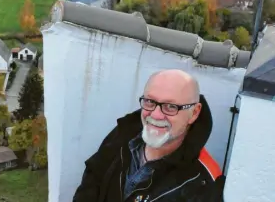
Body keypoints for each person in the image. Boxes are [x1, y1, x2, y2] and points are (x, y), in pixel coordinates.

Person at [73, 69, 226, 202]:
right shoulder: (124, 133)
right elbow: (93, 177)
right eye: (150, 102)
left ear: (194, 113)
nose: (156, 115)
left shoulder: (203, 182)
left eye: (171, 107)